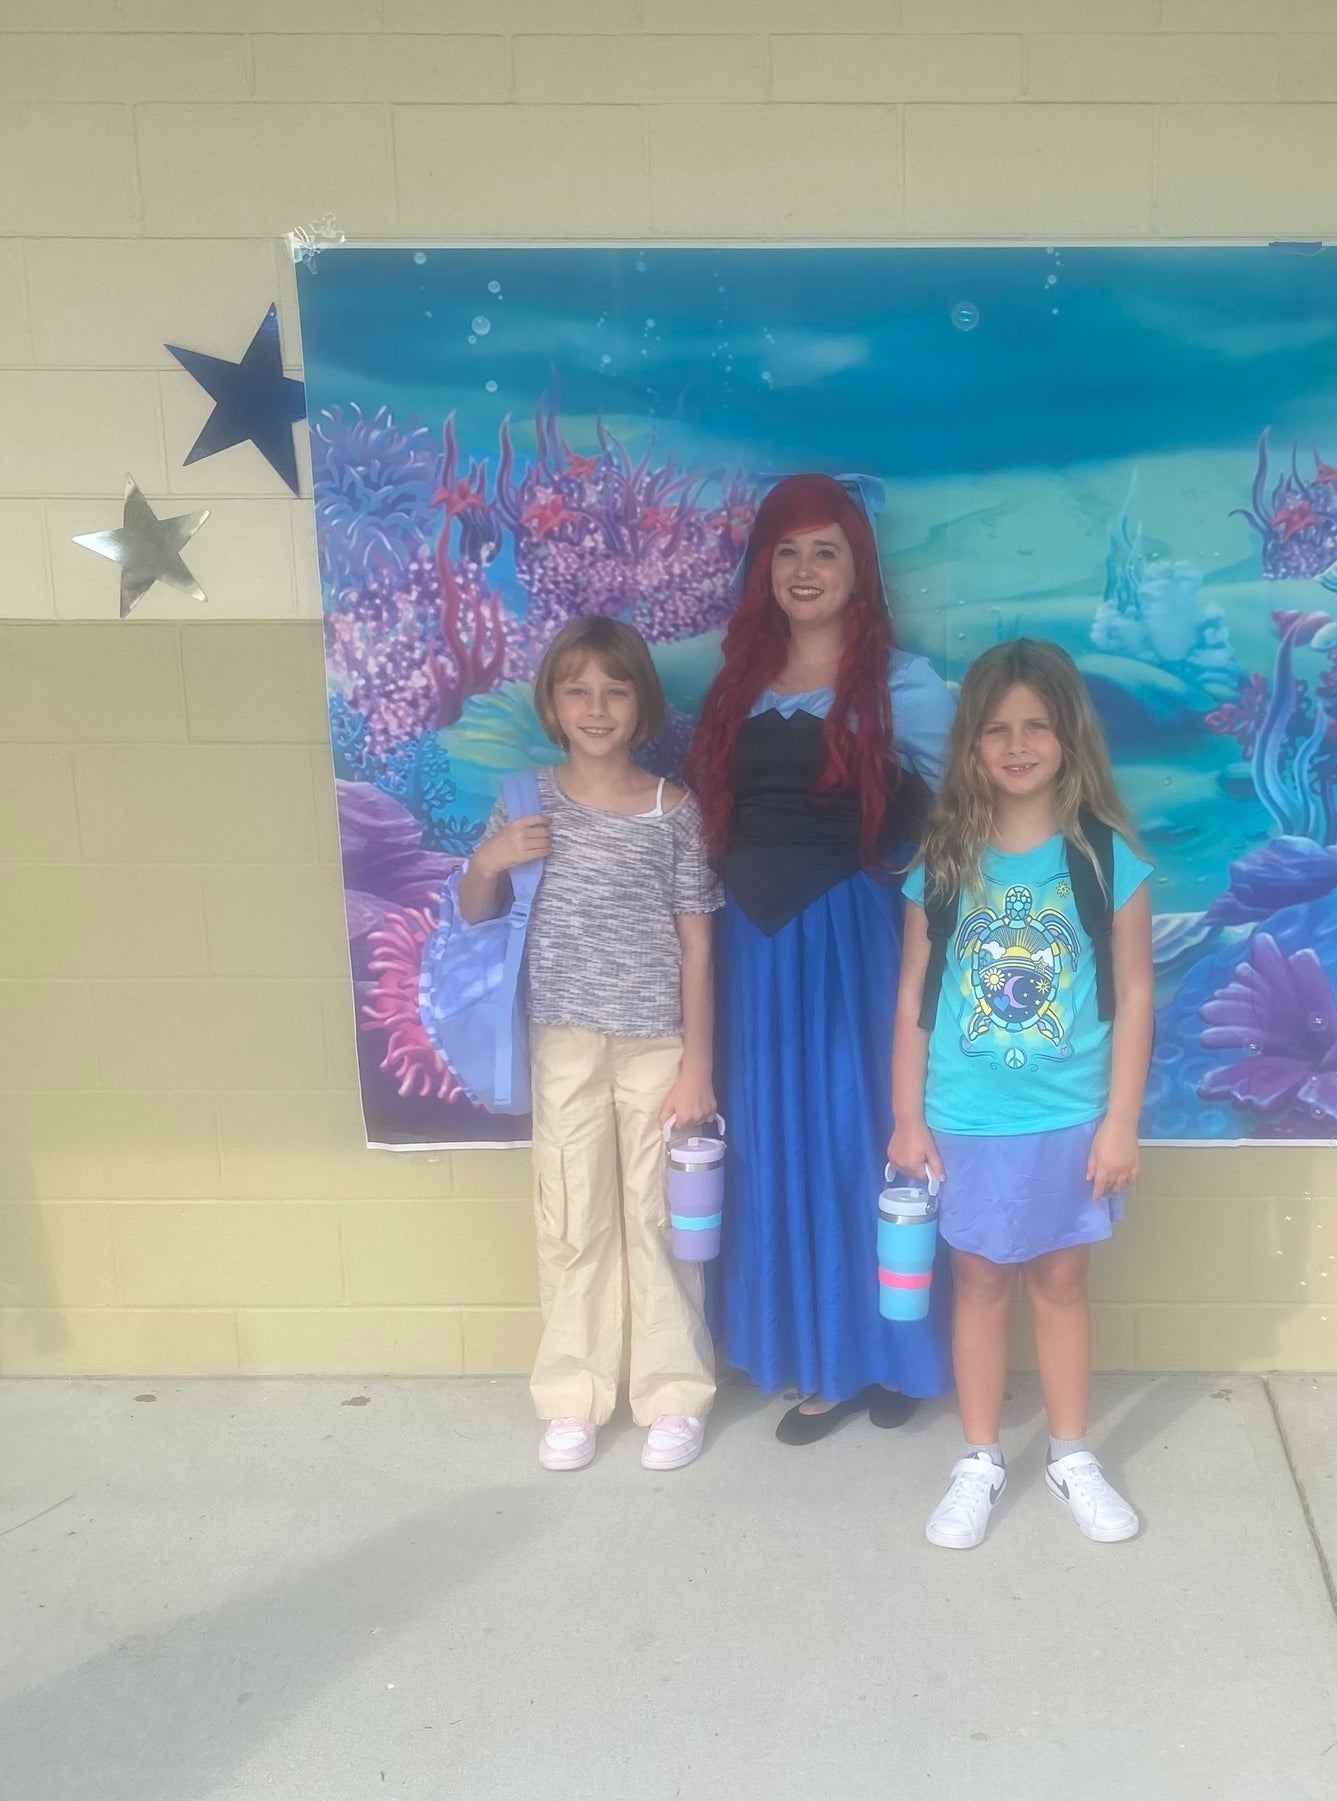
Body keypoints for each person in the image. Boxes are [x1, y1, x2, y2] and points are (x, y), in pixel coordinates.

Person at [688, 474, 955, 1442]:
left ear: (858, 568)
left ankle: (887, 1358)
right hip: (750, 955)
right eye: (786, 551)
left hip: (852, 946)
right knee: (774, 1148)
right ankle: (816, 1356)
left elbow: (966, 809)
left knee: (860, 1143)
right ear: (763, 567)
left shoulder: (904, 687)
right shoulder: (735, 686)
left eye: (826, 551)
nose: (804, 570)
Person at [889, 638, 1154, 1549]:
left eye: (1036, 726)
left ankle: (1071, 1455)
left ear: (1069, 738)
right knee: (977, 1283)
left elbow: (1135, 994)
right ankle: (979, 1458)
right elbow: (914, 999)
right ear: (970, 744)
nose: (1016, 745)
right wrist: (907, 1118)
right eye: (996, 729)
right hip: (966, 1120)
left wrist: (1121, 1122)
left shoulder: (1107, 861)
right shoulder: (943, 864)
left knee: (1063, 1283)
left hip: (1072, 1117)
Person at [459, 616, 721, 1474]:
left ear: (642, 704)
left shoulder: (674, 811)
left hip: (657, 1048)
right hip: (563, 1041)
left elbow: (697, 948)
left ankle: (673, 1394)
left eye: (615, 690)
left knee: (658, 1219)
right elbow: (475, 915)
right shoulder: (526, 801)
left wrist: (697, 1067)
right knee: (573, 1217)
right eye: (578, 691)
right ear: (553, 703)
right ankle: (573, 1395)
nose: (597, 707)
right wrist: (489, 860)